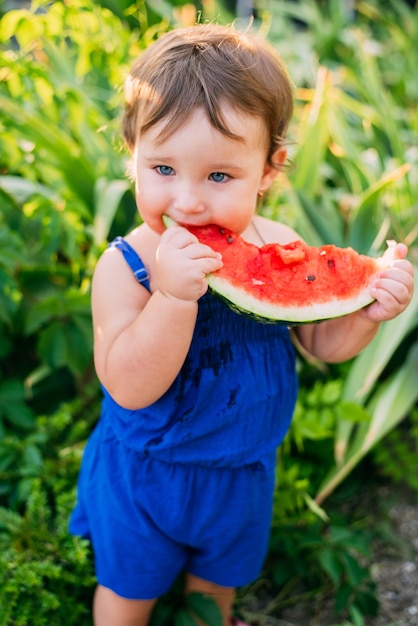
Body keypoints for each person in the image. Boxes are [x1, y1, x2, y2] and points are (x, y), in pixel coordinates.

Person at [69, 23, 415, 626]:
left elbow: (321, 344)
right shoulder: (125, 267)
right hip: (147, 477)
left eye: (219, 176)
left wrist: (365, 312)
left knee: (218, 587)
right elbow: (128, 385)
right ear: (133, 155)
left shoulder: (280, 245)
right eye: (164, 169)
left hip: (243, 472)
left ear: (270, 170)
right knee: (128, 594)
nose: (189, 201)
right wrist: (173, 299)